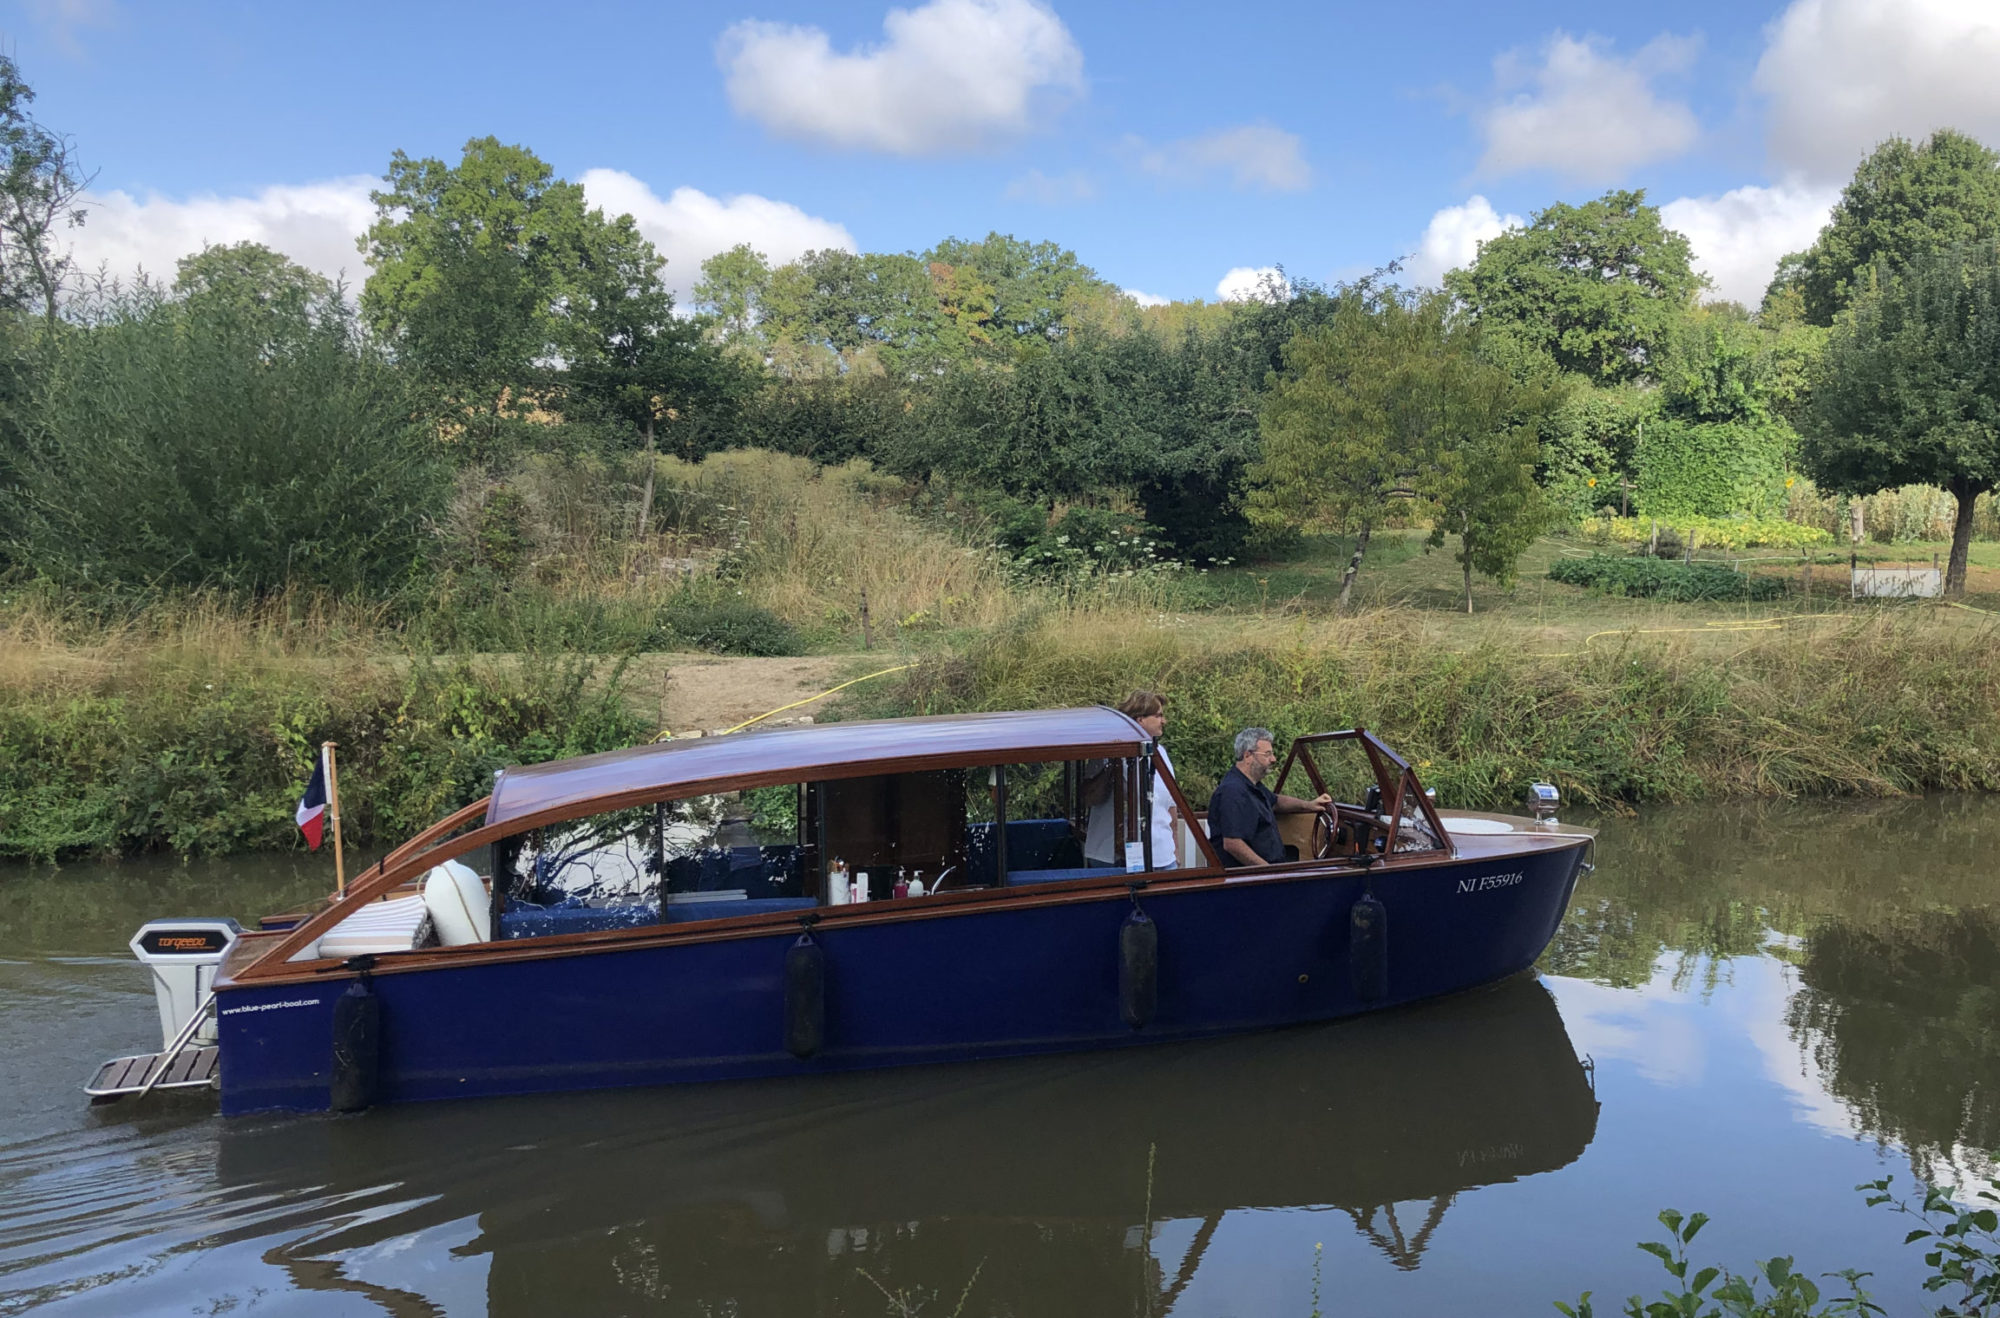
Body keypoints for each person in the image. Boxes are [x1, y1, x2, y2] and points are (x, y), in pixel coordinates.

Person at [1206, 728, 1332, 867]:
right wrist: (1268, 871)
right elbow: (1232, 844)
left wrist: (1308, 805)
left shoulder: (1252, 785)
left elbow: (1276, 801)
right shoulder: (1232, 791)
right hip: (1249, 880)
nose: (1273, 759)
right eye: (1267, 754)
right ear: (1248, 756)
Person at [1082, 691, 1179, 870]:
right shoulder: (1105, 754)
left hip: (1162, 856)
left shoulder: (1161, 754)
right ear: (1140, 719)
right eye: (1158, 715)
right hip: (1112, 857)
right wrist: (1112, 767)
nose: (1163, 721)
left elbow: (1171, 805)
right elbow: (1090, 798)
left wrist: (1176, 850)